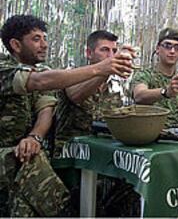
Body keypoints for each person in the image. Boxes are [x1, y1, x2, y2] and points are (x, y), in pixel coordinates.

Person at [0, 15, 132, 216]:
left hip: (28, 150)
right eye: (36, 39)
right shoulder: (5, 67)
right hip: (11, 151)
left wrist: (34, 137)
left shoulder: (43, 69)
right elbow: (39, 83)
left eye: (45, 38)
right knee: (36, 172)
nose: (44, 45)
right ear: (16, 45)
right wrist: (101, 69)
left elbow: (45, 108)